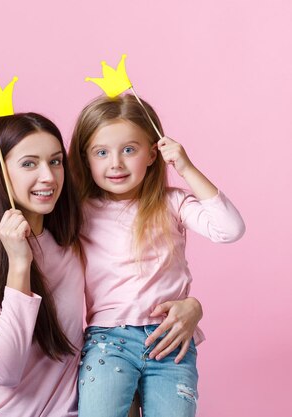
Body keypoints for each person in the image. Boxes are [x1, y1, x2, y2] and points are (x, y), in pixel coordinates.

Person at [0, 112, 204, 417]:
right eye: (29, 164)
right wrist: (19, 264)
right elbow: (6, 369)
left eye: (55, 161)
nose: (48, 177)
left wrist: (192, 306)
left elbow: (132, 294)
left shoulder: (73, 241)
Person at [69, 94, 245, 417]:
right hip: (109, 341)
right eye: (101, 152)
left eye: (129, 150)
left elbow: (230, 229)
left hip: (171, 340)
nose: (116, 163)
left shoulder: (173, 203)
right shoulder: (80, 213)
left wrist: (186, 167)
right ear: (86, 159)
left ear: (153, 153)